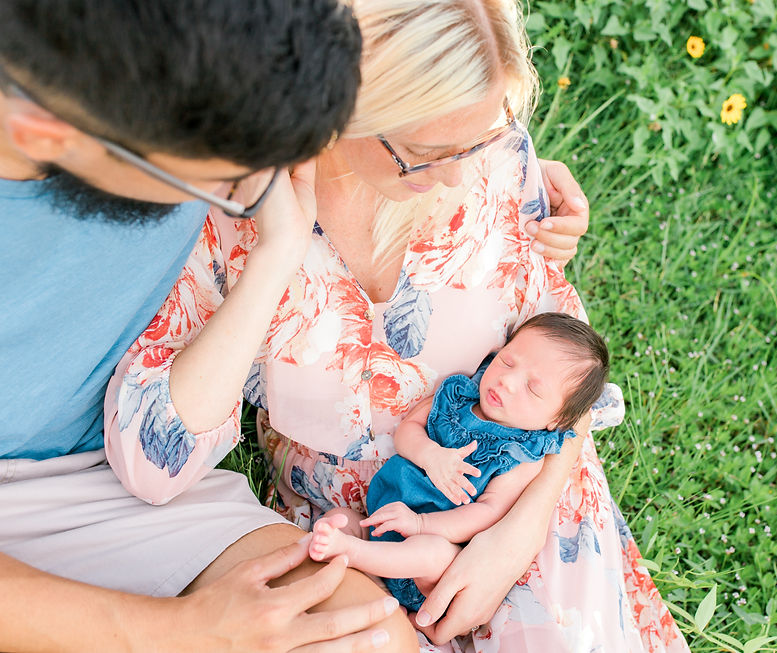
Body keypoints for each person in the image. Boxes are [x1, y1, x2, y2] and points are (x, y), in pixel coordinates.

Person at [105, 0, 688, 651]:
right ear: (339, 109)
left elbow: (567, 368)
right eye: (426, 153)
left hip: (522, 494)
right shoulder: (228, 213)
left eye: (480, 140)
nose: (464, 175)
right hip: (358, 532)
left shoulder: (492, 161)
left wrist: (513, 532)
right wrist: (276, 255)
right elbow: (152, 466)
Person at [0, 1, 423, 650]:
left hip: (104, 481)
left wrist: (501, 161)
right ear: (43, 132)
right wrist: (174, 631)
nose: (245, 192)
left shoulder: (190, 73)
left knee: (363, 637)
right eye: (223, 182)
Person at [308, 312, 609, 613]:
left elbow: (487, 511)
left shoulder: (522, 457)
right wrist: (430, 455)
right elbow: (408, 430)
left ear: (556, 419)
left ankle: (354, 554)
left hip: (427, 563)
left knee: (432, 553)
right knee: (342, 518)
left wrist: (421, 524)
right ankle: (346, 553)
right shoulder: (457, 398)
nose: (507, 381)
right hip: (378, 518)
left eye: (533, 389)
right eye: (506, 361)